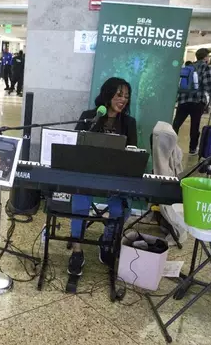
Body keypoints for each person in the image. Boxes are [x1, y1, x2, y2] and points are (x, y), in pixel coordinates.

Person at [67, 77, 138, 276]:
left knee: (120, 207)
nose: (123, 100)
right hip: (87, 175)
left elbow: (133, 152)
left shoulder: (129, 123)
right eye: (119, 95)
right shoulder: (90, 116)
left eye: (126, 96)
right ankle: (77, 250)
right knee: (80, 202)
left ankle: (106, 242)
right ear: (107, 95)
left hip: (115, 179)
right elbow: (76, 145)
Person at [172, 48, 211, 155]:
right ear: (205, 57)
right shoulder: (206, 67)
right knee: (194, 125)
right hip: (197, 101)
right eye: (208, 56)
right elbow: (208, 83)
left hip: (183, 99)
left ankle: (169, 144)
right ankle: (192, 149)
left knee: (176, 123)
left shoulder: (189, 67)